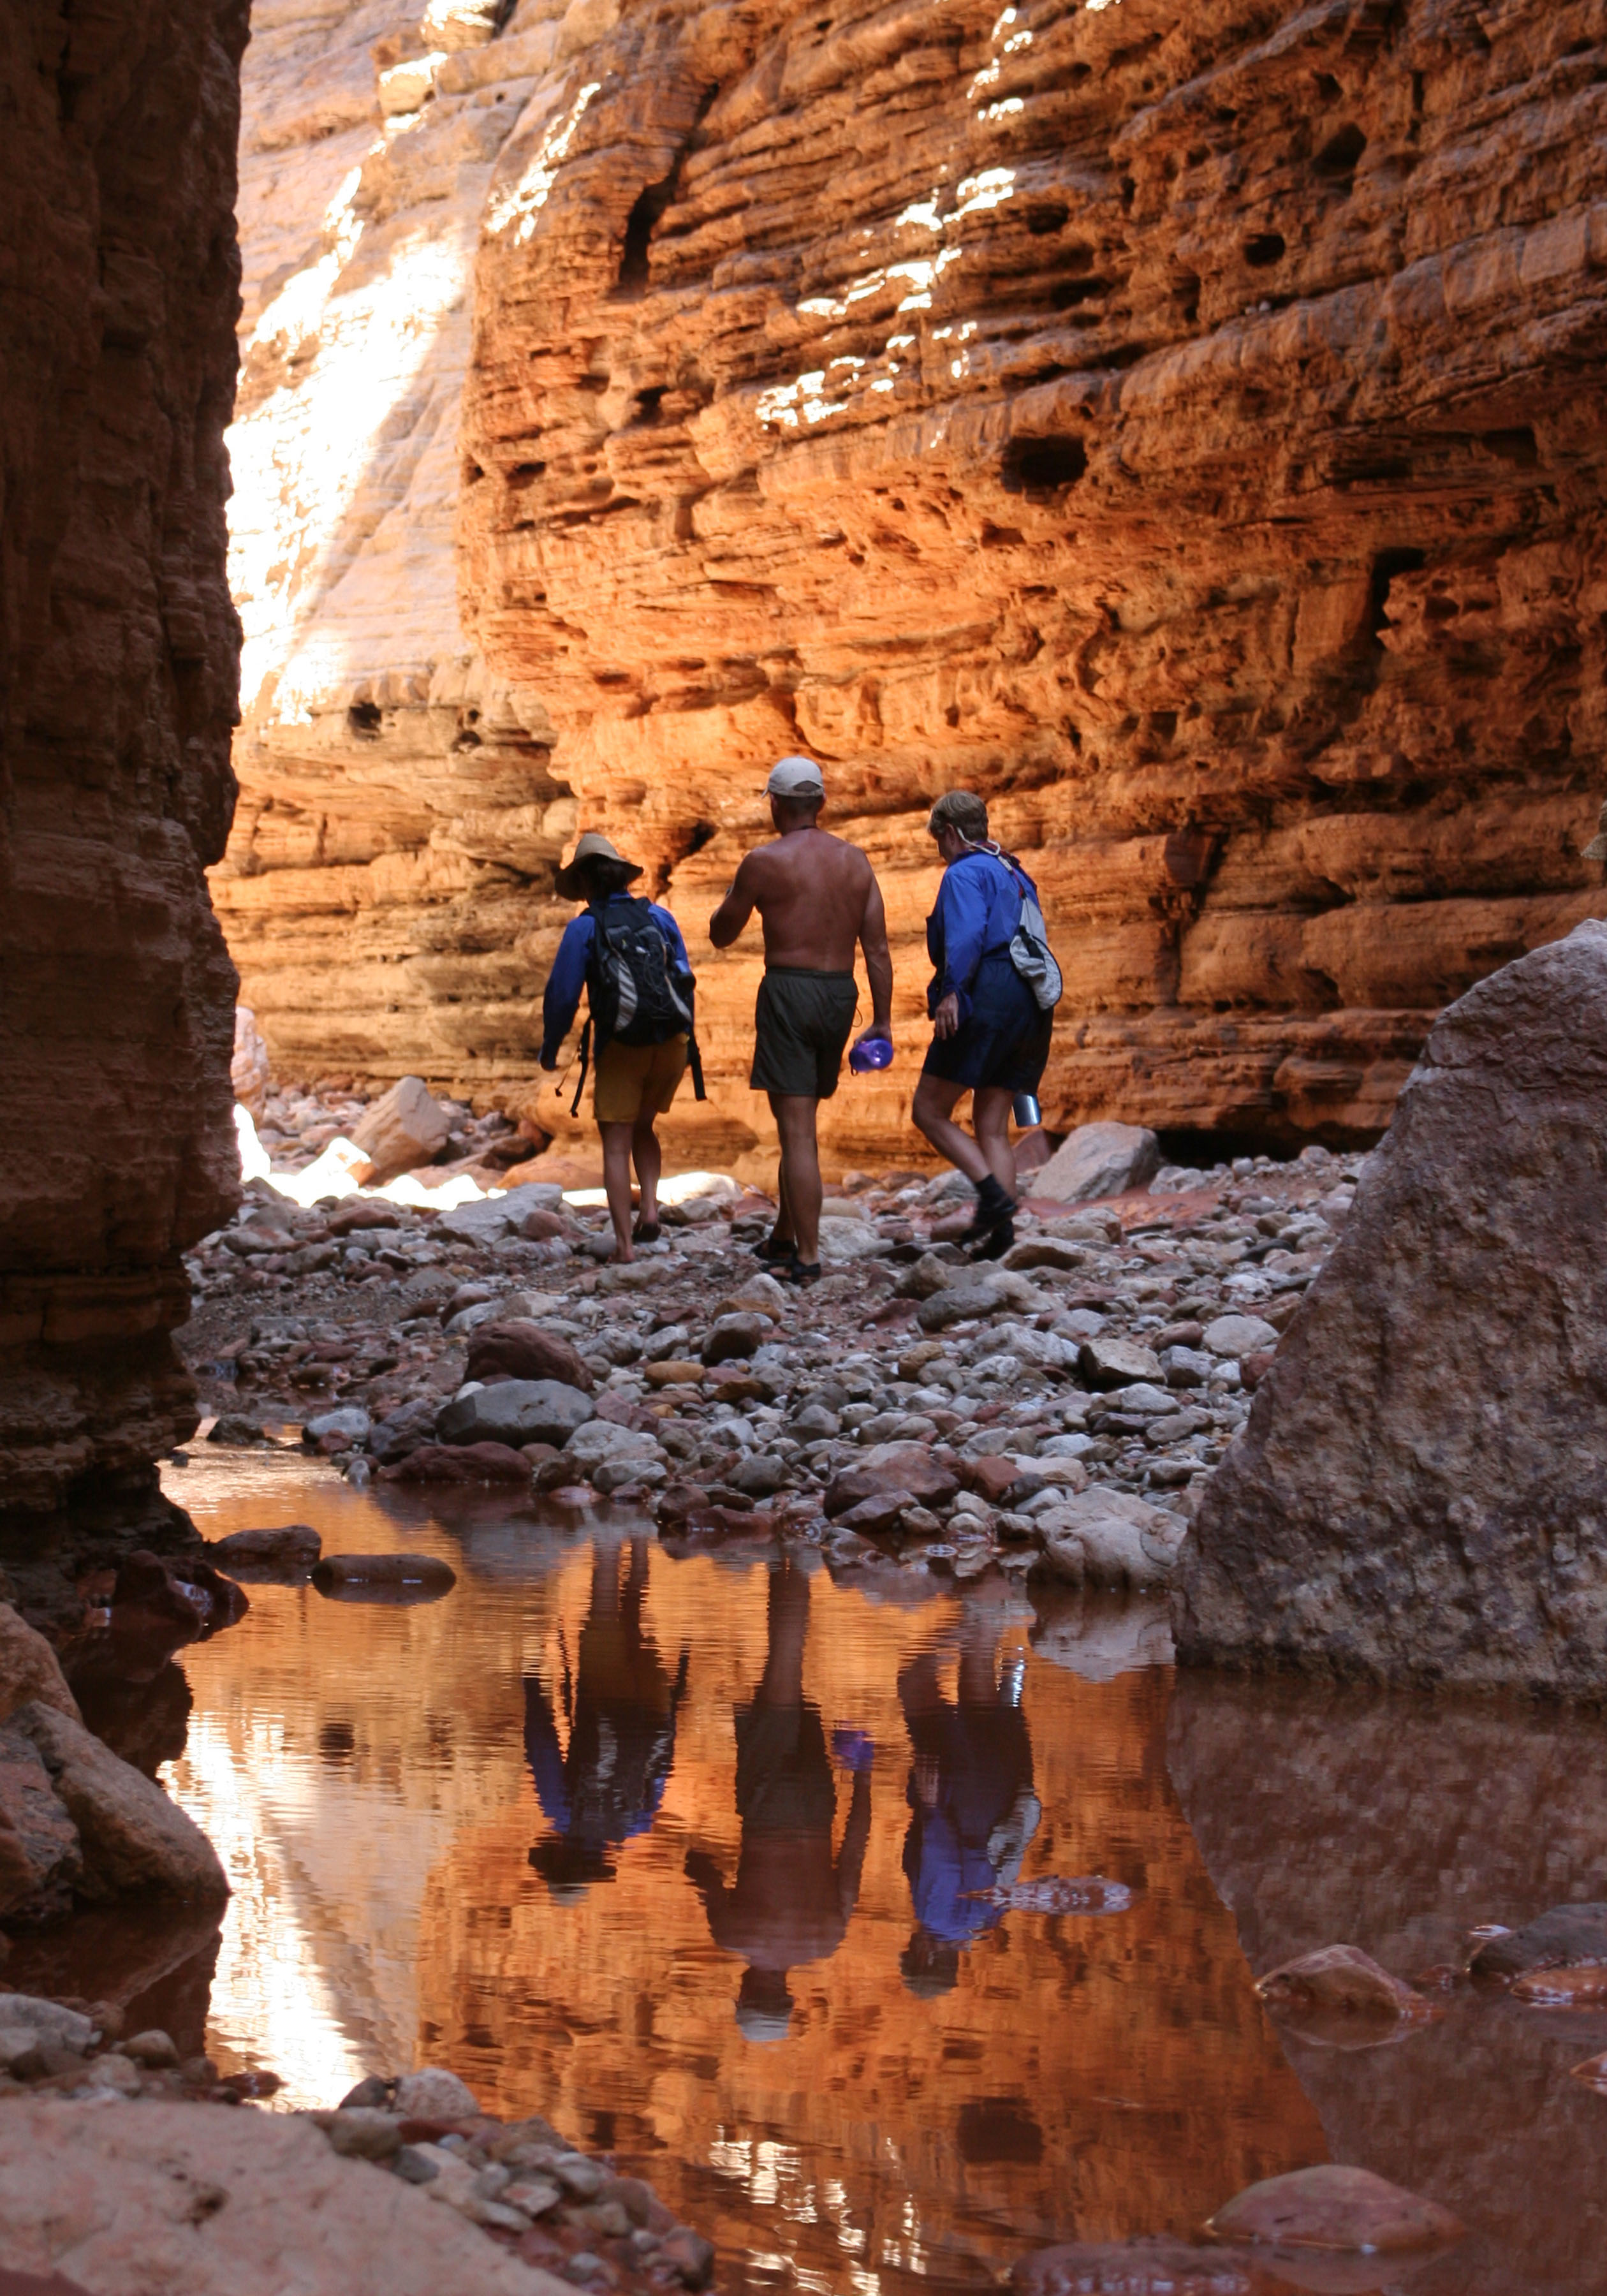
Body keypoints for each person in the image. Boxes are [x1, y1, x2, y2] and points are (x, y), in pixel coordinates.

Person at [708, 756, 893, 1284]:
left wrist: (729, 897)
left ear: (778, 805)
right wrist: (882, 1022)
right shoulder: (856, 861)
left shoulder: (764, 861)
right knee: (802, 1127)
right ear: (821, 803)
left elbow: (722, 933)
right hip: (841, 994)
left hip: (789, 990)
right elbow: (877, 950)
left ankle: (807, 1257)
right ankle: (785, 1235)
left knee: (797, 1133)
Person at [684, 1557, 873, 2043]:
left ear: (786, 1997)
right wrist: (690, 1858)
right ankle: (794, 1557)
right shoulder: (735, 1937)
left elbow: (853, 1854)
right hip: (766, 1811)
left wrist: (864, 1783)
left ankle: (790, 1563)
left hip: (816, 1809)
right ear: (747, 1994)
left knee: (790, 1679)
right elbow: (703, 1872)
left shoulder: (827, 1940)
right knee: (781, 1671)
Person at [540, 832, 697, 1263]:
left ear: (585, 884)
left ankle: (625, 1248)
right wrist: (689, 1040)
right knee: (644, 1125)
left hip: (622, 1044)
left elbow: (562, 995)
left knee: (616, 1142)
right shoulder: (660, 917)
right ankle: (649, 1209)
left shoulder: (585, 928)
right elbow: (684, 977)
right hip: (671, 1041)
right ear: (622, 878)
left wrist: (551, 1047)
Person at [911, 790, 1053, 1258]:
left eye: (939, 841)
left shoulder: (964, 872)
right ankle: (1003, 1235)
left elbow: (969, 934)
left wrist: (952, 990)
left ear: (950, 833)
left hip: (987, 993)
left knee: (929, 1110)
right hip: (1031, 1004)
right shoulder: (1015, 871)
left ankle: (993, 1198)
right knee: (992, 1123)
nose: (940, 851)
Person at [525, 1536, 689, 1899]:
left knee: (634, 1628)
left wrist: (674, 1700)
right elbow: (542, 1747)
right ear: (560, 1854)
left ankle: (642, 1550)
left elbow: (661, 1766)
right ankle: (612, 1533)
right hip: (605, 1700)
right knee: (603, 1609)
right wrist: (532, 1690)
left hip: (654, 1709)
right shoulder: (562, 1814)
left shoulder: (637, 1823)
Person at [897, 1620, 1038, 1998]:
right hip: (959, 1797)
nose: (910, 1942)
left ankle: (995, 1598)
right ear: (924, 1957)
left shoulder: (986, 1920)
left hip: (999, 1793)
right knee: (912, 1682)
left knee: (977, 1686)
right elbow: (942, 1863)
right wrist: (932, 1809)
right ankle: (972, 1614)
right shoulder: (936, 1917)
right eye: (910, 1952)